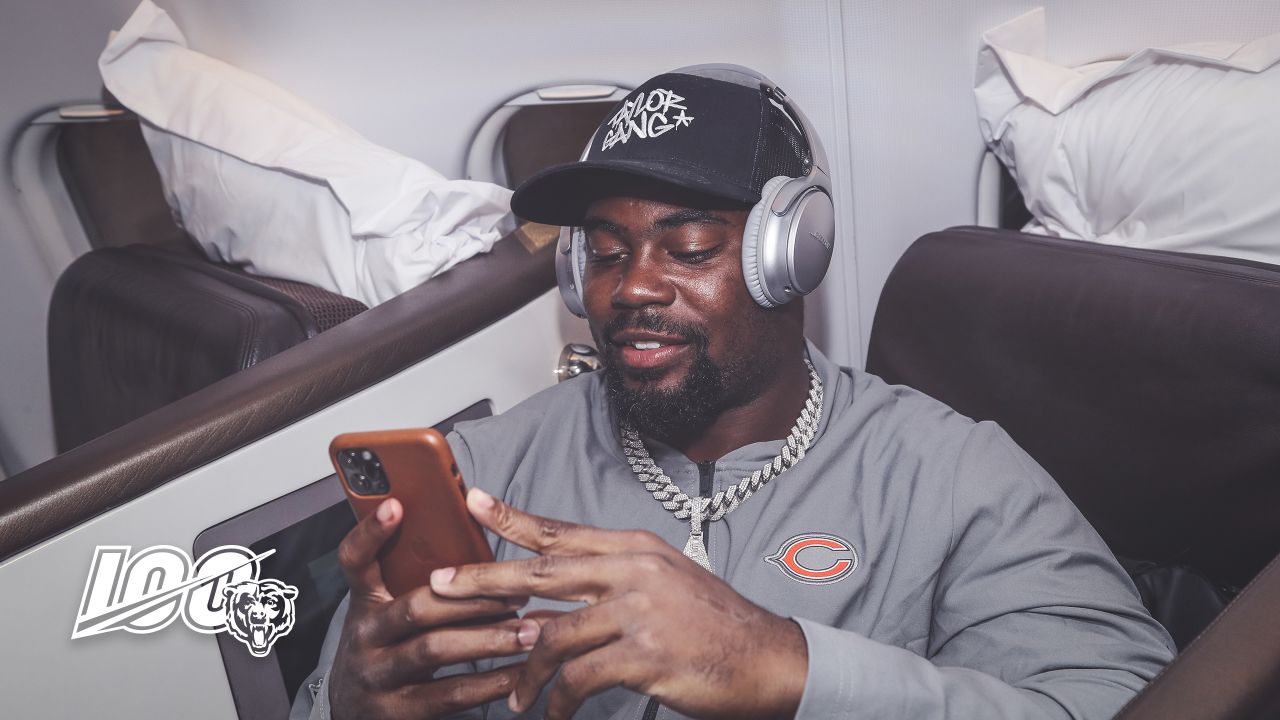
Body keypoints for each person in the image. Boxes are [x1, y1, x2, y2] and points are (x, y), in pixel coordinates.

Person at [293, 65, 1174, 720]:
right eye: (604, 252)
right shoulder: (483, 472)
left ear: (792, 255)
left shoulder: (950, 475)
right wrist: (344, 705)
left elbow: (1135, 701)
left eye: (689, 248)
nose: (632, 286)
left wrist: (786, 665)